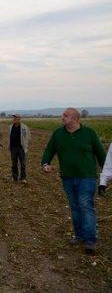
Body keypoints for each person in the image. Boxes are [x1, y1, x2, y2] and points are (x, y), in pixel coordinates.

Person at [41, 108, 106, 255]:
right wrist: (45, 163)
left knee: (85, 205)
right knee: (75, 207)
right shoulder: (58, 134)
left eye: (65, 115)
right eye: (63, 115)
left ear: (75, 118)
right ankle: (79, 236)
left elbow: (101, 154)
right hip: (68, 177)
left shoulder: (89, 133)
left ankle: (90, 240)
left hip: (87, 177)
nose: (62, 117)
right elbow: (49, 150)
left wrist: (106, 174)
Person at [8, 114, 31, 183]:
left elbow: (28, 136)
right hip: (13, 148)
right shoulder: (10, 127)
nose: (14, 119)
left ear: (19, 119)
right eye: (13, 117)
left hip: (21, 148)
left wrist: (25, 145)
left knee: (23, 164)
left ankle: (23, 178)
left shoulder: (24, 127)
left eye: (15, 117)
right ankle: (15, 178)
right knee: (14, 164)